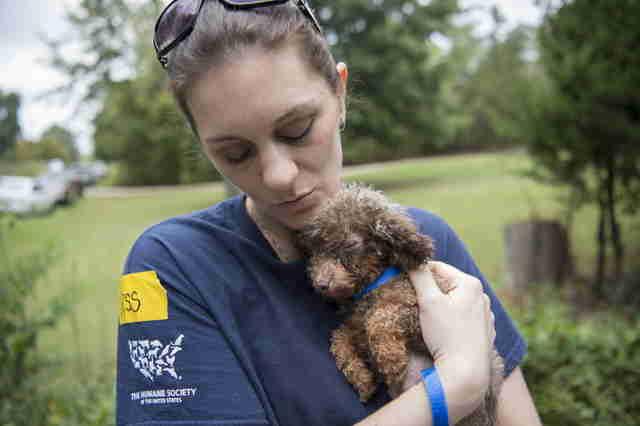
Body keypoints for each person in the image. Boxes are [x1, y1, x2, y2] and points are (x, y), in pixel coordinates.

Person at [116, 1, 542, 425]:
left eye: (297, 130)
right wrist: (456, 385)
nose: (279, 176)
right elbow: (466, 383)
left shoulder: (426, 238)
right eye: (235, 153)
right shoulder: (171, 268)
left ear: (339, 94)